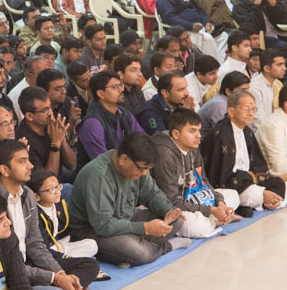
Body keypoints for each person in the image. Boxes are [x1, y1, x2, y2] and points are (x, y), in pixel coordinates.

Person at [0, 139, 99, 290]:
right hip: (10, 272)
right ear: (4, 170)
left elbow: (35, 244)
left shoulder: (27, 195)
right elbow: (7, 263)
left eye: (28, 160)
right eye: (22, 161)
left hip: (30, 261)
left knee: (90, 265)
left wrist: (60, 275)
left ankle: (66, 288)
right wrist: (55, 278)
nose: (30, 166)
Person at [68, 132, 185, 266]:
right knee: (140, 252)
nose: (144, 173)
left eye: (147, 169)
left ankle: (126, 252)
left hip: (123, 217)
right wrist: (145, 228)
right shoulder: (99, 176)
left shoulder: (138, 166)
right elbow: (104, 226)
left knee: (177, 220)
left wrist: (168, 211)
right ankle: (164, 247)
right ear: (123, 159)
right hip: (90, 230)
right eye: (142, 169)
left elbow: (152, 193)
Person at [151, 109, 244, 237]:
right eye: (192, 131)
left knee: (233, 195)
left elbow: (203, 180)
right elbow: (171, 201)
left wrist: (220, 203)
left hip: (193, 197)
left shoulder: (192, 146)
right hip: (173, 207)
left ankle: (218, 218)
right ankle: (218, 219)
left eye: (199, 130)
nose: (198, 136)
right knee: (196, 227)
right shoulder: (165, 154)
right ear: (176, 134)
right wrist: (211, 210)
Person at [200, 89, 287, 211]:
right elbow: (220, 176)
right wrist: (259, 190)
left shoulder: (246, 131)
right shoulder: (221, 135)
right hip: (231, 185)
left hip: (248, 180)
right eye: (246, 109)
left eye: (253, 109)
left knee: (286, 187)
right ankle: (262, 201)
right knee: (250, 195)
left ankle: (267, 202)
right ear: (231, 111)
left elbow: (258, 164)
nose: (251, 114)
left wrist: (255, 181)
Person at [77, 70, 144, 166]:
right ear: (101, 94)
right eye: (115, 87)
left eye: (121, 85)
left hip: (125, 167)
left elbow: (142, 141)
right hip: (101, 173)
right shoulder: (92, 123)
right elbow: (103, 163)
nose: (121, 90)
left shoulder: (124, 113)